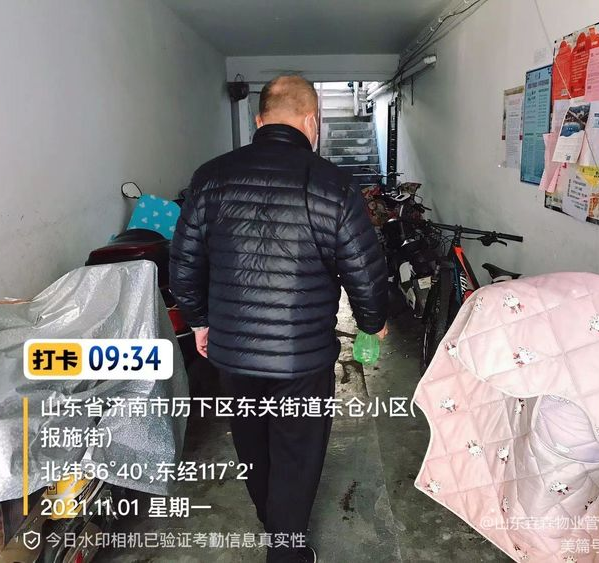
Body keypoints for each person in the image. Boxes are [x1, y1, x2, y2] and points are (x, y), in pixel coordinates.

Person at [169, 74, 389, 563]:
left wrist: (201, 322)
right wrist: (372, 322)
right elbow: (363, 267)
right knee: (297, 453)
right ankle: (287, 550)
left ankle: (275, 525)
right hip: (302, 358)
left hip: (234, 352)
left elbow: (183, 264)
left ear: (258, 120)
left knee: (252, 444)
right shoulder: (333, 184)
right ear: (312, 121)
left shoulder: (210, 177)